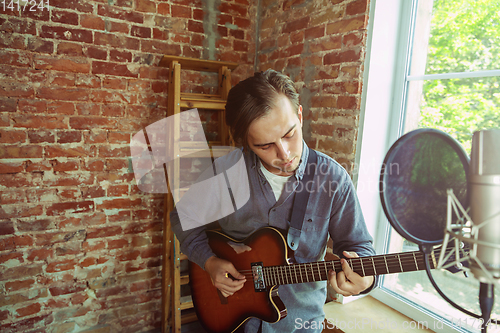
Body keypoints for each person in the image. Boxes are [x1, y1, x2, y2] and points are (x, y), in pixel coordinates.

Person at [170, 69, 376, 333]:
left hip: (299, 325)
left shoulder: (333, 179)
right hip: (231, 320)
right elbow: (182, 217)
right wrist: (209, 262)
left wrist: (366, 279)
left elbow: (358, 245)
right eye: (265, 145)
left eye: (290, 134)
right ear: (246, 143)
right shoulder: (225, 172)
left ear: (299, 116)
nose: (285, 153)